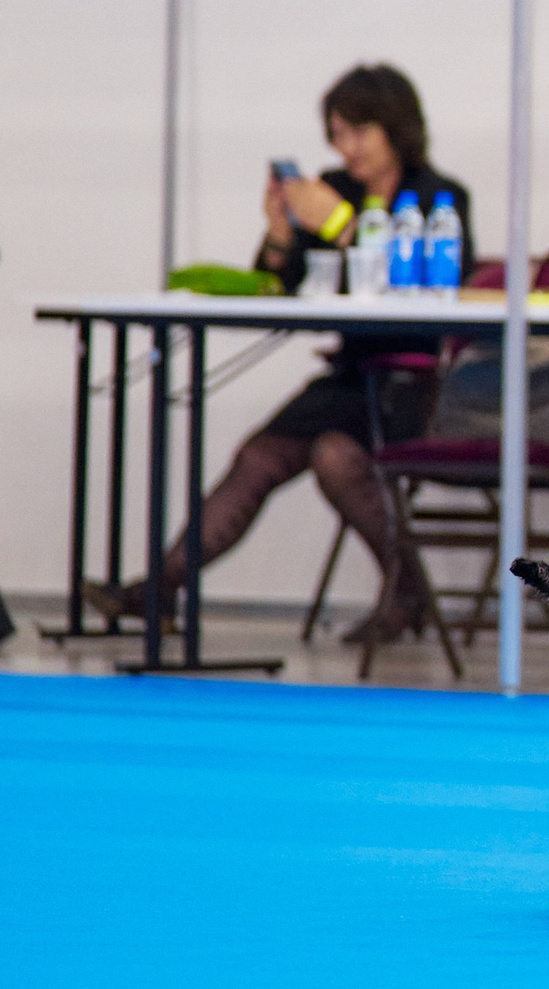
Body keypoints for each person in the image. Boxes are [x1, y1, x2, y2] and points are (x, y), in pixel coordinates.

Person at [85, 64, 473, 648]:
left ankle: (406, 592)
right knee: (261, 457)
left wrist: (341, 227)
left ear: (394, 126)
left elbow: (431, 285)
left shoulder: (438, 196)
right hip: (348, 378)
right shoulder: (334, 190)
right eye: (336, 135)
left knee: (336, 459)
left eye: (356, 132)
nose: (346, 148)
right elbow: (281, 284)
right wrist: (280, 234)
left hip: (409, 383)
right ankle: (160, 588)